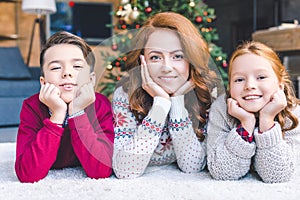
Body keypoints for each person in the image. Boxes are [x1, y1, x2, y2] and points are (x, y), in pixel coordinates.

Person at [112, 12, 223, 179]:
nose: (167, 67)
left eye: (177, 56)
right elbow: (125, 171)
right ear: (142, 61)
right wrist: (160, 106)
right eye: (155, 57)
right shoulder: (125, 95)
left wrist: (177, 103)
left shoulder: (207, 94)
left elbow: (192, 167)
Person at [15, 31, 114, 183]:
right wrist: (57, 115)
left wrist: (77, 114)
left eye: (77, 66)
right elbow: (27, 174)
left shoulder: (100, 105)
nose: (67, 73)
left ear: (91, 79)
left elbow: (101, 171)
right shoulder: (32, 107)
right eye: (55, 68)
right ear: (43, 82)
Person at [207, 41, 300, 183]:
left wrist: (267, 120)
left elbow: (277, 175)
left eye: (261, 77)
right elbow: (222, 172)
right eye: (239, 79)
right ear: (230, 86)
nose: (249, 85)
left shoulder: (293, 113)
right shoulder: (221, 108)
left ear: (280, 84)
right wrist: (245, 125)